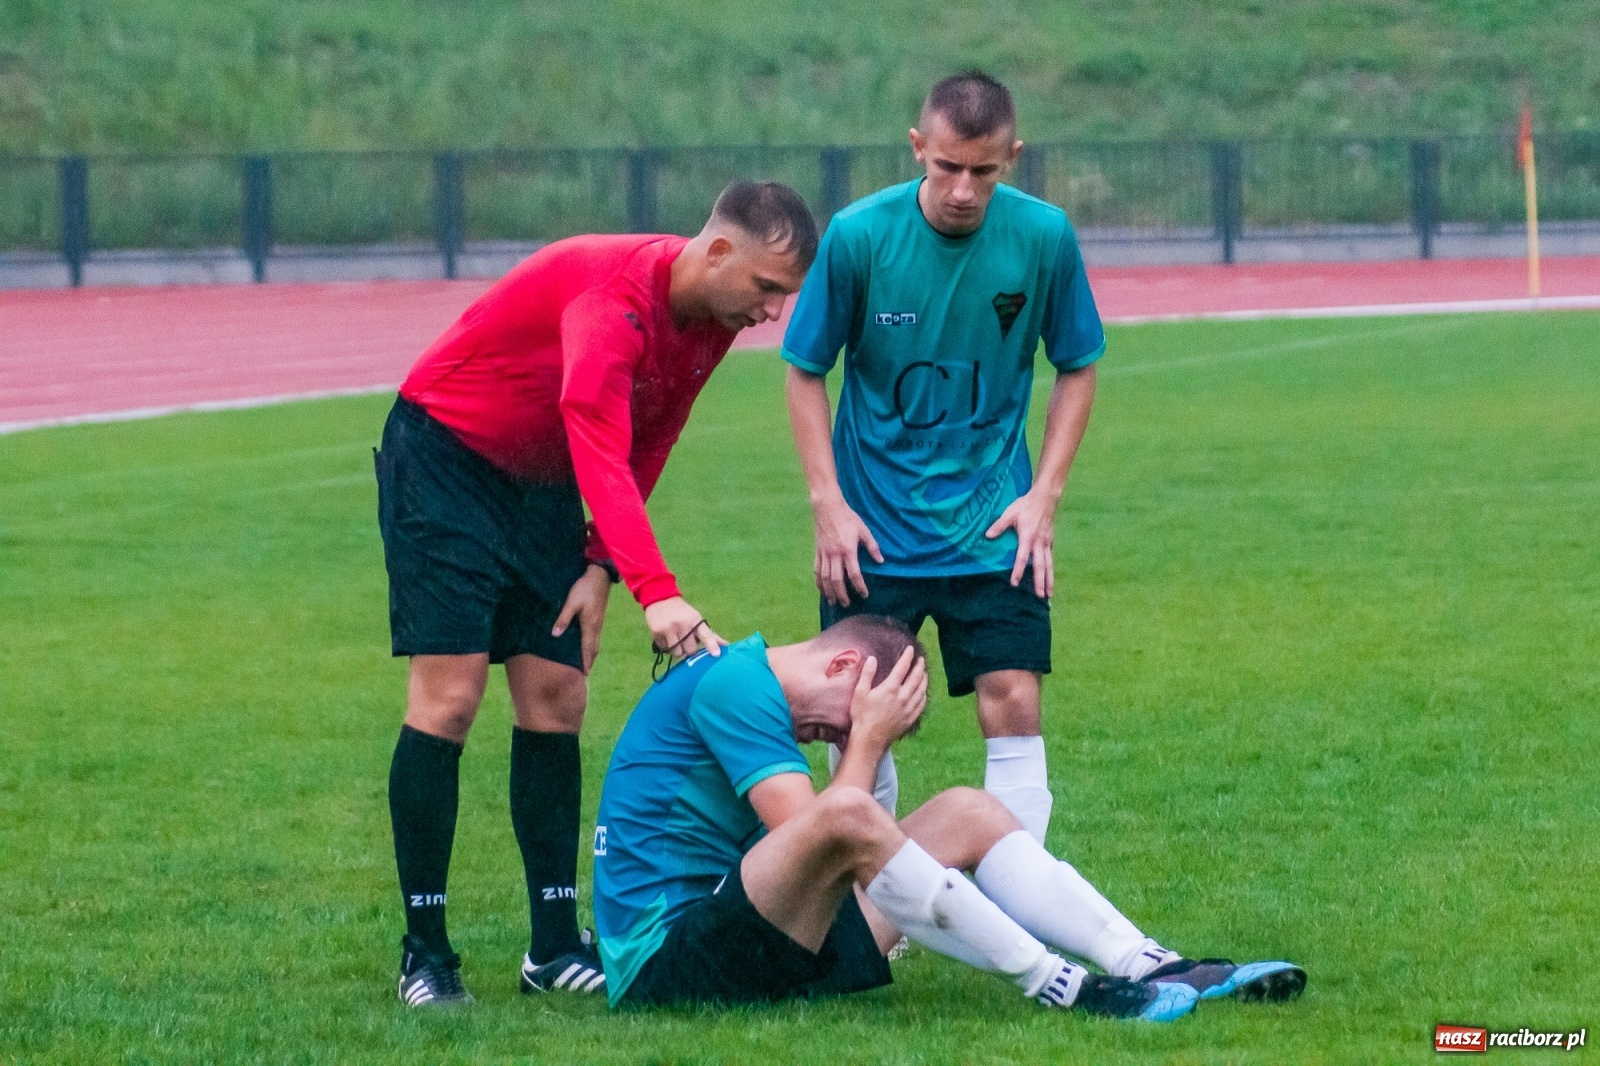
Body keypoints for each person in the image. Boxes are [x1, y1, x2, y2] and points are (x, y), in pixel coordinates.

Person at [375, 181, 818, 1007]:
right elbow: (600, 443)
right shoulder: (611, 299)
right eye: (767, 288)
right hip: (446, 460)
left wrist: (600, 565)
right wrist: (658, 591)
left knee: (557, 694)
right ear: (719, 251)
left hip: (539, 480)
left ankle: (551, 947)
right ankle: (424, 953)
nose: (772, 312)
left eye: (784, 295)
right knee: (451, 699)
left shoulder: (711, 320)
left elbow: (655, 435)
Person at [592, 615, 1306, 1015]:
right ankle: (1067, 988)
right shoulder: (736, 686)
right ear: (843, 667)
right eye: (848, 719)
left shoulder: (752, 682)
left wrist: (866, 741)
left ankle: (1151, 964)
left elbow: (835, 851)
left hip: (752, 939)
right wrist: (866, 742)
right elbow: (826, 834)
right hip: (668, 965)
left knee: (970, 809)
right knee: (846, 815)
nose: (833, 737)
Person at [782, 71, 1099, 841]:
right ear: (918, 147)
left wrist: (1044, 497)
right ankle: (866, 887)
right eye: (947, 166)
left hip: (993, 527)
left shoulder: (1044, 236)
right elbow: (805, 369)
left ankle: (1015, 890)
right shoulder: (859, 236)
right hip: (873, 531)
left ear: (1012, 158)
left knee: (1014, 697)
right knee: (857, 712)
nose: (963, 189)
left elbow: (1078, 365)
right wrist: (828, 504)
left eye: (983, 171)